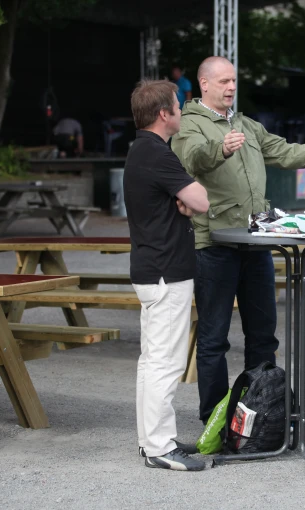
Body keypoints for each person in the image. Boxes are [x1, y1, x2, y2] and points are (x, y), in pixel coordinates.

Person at [170, 56, 305, 424]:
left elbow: (288, 153)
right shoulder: (190, 125)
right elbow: (192, 159)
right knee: (214, 339)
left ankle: (260, 415)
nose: (231, 87)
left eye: (234, 80)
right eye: (223, 81)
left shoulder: (245, 124)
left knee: (264, 338)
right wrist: (220, 149)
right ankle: (216, 422)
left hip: (255, 243)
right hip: (214, 245)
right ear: (203, 84)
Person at [124, 79, 210, 471]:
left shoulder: (140, 150)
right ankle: (159, 449)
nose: (181, 109)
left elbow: (185, 201)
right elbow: (201, 200)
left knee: (151, 361)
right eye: (177, 104)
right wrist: (187, 199)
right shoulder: (158, 154)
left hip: (151, 269)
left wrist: (184, 200)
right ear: (164, 113)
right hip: (166, 273)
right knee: (165, 363)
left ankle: (154, 441)